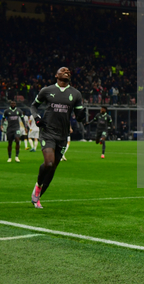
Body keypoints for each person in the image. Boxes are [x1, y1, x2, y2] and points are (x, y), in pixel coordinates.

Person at [29, 67, 86, 209]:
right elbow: (33, 106)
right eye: (63, 70)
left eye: (68, 70)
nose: (67, 71)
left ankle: (38, 198)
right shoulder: (47, 90)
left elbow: (79, 117)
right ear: (56, 75)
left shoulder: (76, 94)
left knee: (53, 168)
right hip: (48, 132)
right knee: (48, 163)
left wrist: (81, 115)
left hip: (63, 135)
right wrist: (36, 118)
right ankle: (37, 186)